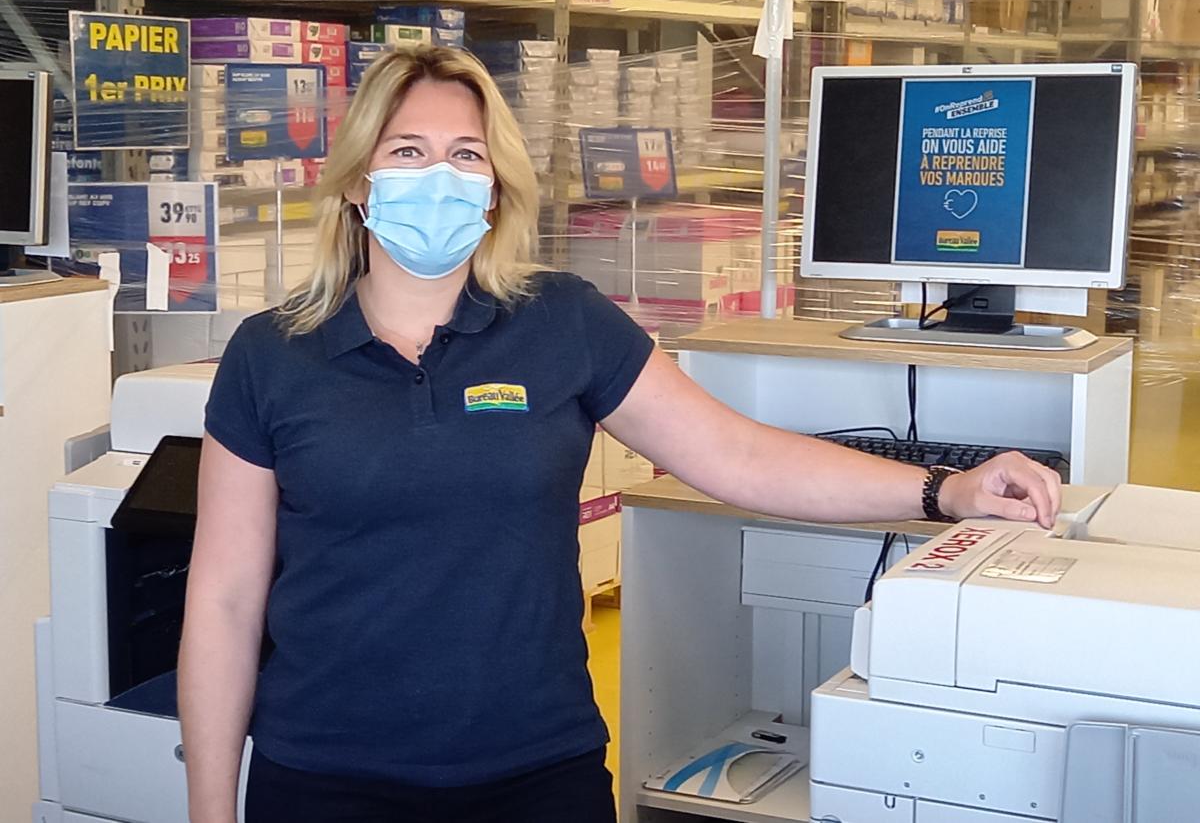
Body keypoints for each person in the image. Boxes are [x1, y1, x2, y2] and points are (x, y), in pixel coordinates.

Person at [178, 45, 1061, 823]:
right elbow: (221, 602)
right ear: (359, 180)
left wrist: (945, 488)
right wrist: (210, 810)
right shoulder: (273, 354)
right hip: (328, 778)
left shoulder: (562, 322)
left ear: (494, 189)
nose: (439, 176)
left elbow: (738, 455)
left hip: (535, 771)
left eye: (465, 155)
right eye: (409, 152)